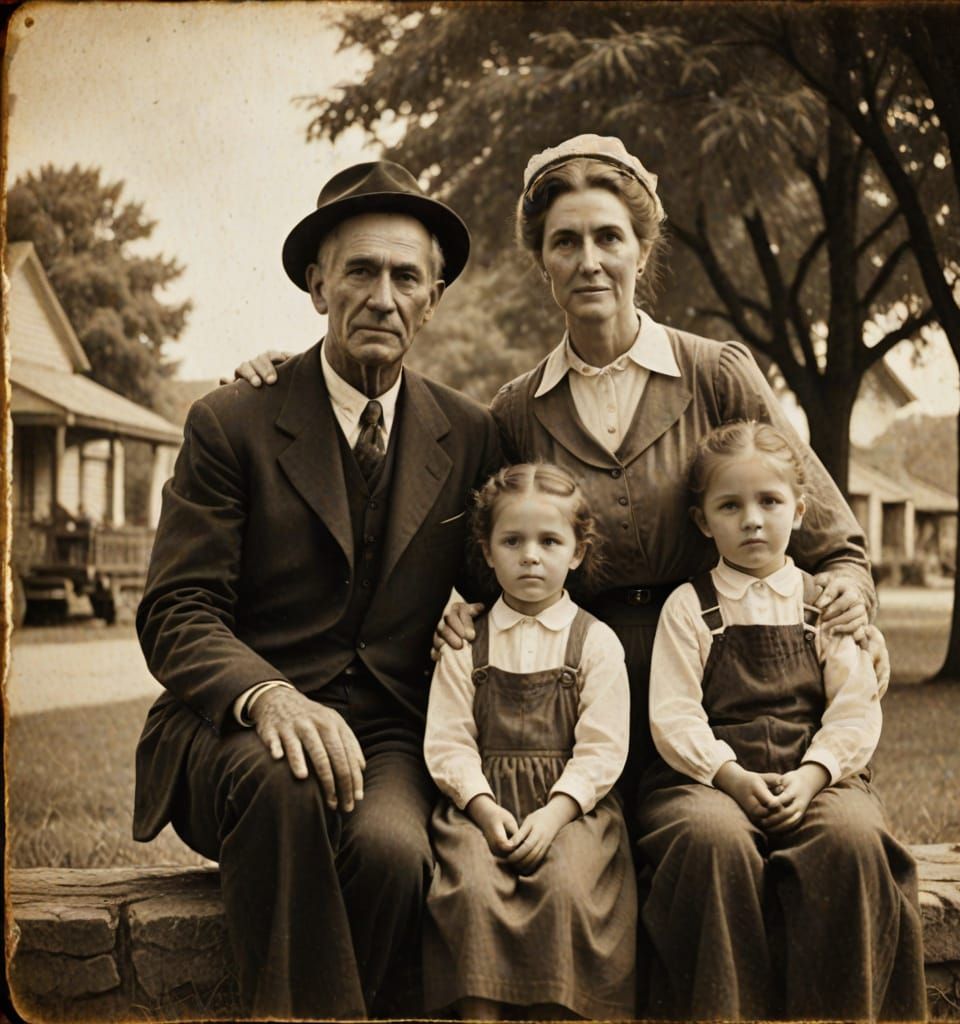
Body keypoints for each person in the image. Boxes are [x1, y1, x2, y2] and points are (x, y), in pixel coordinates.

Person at [232, 134, 889, 807]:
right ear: (542, 262)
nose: (590, 262)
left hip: (712, 687)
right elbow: (482, 549)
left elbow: (832, 541)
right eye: (565, 242)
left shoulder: (716, 374)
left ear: (642, 249)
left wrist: (846, 594)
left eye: (609, 238)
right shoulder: (514, 412)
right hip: (573, 695)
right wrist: (303, 380)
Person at [132, 160, 502, 1019]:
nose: (383, 296)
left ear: (433, 298)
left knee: (394, 854)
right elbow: (176, 610)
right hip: (229, 736)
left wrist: (474, 611)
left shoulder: (472, 433)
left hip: (385, 736)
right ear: (316, 285)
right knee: (288, 781)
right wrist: (265, 696)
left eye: (407, 276)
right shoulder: (232, 421)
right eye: (360, 272)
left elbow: (508, 569)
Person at [638, 420, 926, 1021]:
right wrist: (730, 776)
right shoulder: (690, 606)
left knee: (851, 840)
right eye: (730, 505)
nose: (752, 520)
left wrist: (814, 775)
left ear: (798, 510)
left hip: (815, 774)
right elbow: (673, 713)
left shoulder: (824, 602)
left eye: (769, 501)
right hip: (708, 780)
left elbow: (854, 706)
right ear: (702, 521)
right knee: (709, 842)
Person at [423, 463, 635, 1020]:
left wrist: (555, 814)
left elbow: (603, 747)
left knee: (566, 886)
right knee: (469, 886)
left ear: (577, 552)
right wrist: (483, 807)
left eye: (549, 541)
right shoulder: (466, 642)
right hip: (481, 806)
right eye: (512, 541)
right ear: (487, 553)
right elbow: (448, 741)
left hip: (570, 808)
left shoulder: (595, 642)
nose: (531, 556)